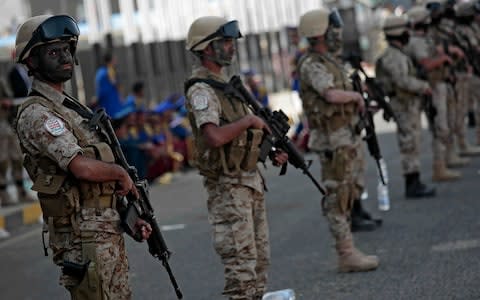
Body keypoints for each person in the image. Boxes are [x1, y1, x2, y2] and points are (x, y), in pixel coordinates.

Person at [14, 14, 152, 299]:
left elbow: (97, 178)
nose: (64, 57)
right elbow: (82, 168)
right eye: (53, 52)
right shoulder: (38, 113)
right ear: (31, 61)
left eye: (67, 49)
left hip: (104, 231)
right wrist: (120, 174)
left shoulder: (70, 108)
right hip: (82, 240)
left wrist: (130, 214)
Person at [184, 16, 288, 299]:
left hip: (249, 182)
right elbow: (214, 137)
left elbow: (244, 137)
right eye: (225, 42)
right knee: (241, 271)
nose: (232, 47)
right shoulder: (202, 89)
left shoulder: (226, 86)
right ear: (206, 48)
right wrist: (249, 121)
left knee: (258, 264)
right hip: (228, 189)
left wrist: (269, 152)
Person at [296, 8, 379, 272]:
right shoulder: (313, 65)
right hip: (332, 139)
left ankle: (350, 249)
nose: (338, 33)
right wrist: (354, 98)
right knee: (337, 195)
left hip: (345, 134)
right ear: (320, 33)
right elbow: (331, 96)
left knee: (350, 189)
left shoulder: (330, 61)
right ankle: (346, 254)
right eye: (333, 28)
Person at [375, 15, 436, 198]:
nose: (408, 33)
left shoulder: (398, 53)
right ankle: (412, 183)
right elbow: (402, 81)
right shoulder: (392, 56)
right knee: (409, 143)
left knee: (413, 141)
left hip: (408, 103)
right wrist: (423, 86)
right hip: (402, 104)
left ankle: (415, 180)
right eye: (405, 30)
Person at [405, 6, 461, 181]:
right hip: (432, 87)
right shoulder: (416, 41)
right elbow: (426, 63)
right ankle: (439, 167)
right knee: (439, 127)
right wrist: (442, 59)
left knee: (441, 126)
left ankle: (443, 163)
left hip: (436, 85)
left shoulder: (423, 39)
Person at [0, 76, 35, 206]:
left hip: (7, 123)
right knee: (2, 160)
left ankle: (21, 192)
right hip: (1, 125)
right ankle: (4, 194)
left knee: (17, 157)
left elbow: (9, 96)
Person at [95, 52, 123, 117]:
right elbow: (115, 84)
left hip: (103, 102)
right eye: (114, 60)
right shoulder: (109, 70)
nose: (116, 62)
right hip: (111, 103)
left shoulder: (100, 71)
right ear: (111, 60)